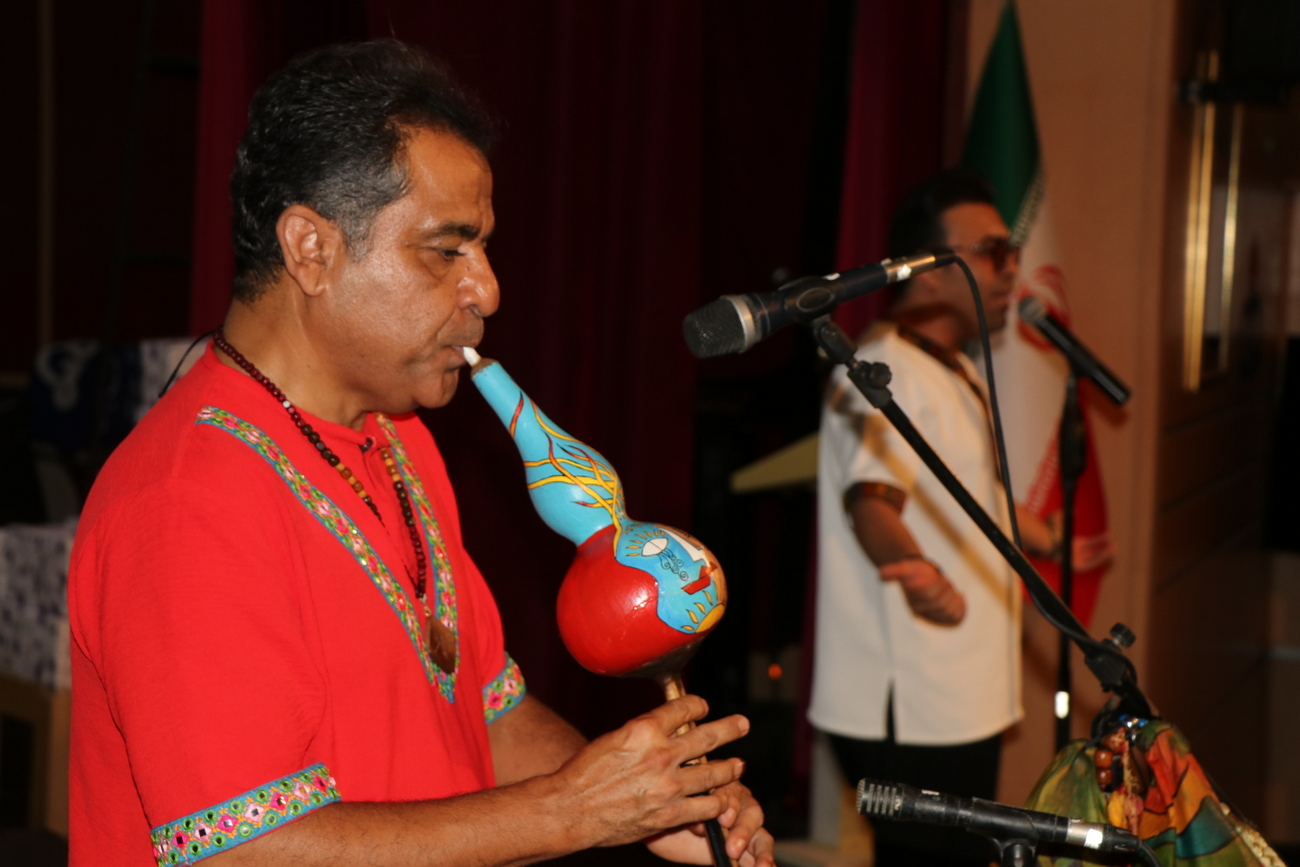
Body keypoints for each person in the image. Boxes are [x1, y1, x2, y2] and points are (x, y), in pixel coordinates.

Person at [68, 40, 773, 867]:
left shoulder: (400, 440)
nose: (487, 290)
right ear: (310, 249)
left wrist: (654, 804)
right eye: (447, 250)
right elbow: (243, 850)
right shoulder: (188, 501)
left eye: (483, 248)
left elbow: (486, 711)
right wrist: (575, 810)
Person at [808, 169, 1109, 867]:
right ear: (929, 271)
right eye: (993, 251)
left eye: (1012, 251)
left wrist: (1052, 540)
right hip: (912, 699)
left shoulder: (955, 369)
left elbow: (974, 496)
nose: (1011, 270)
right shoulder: (880, 367)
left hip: (960, 692)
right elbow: (871, 501)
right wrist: (908, 564)